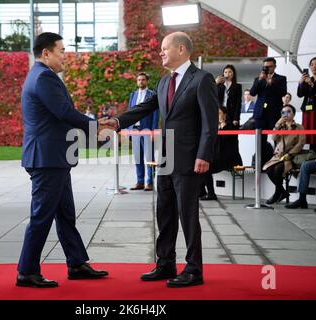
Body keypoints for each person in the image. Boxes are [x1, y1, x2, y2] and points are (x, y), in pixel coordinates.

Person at [100, 32, 218, 288]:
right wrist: (118, 121)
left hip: (189, 159)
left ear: (182, 49)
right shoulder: (165, 82)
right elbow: (144, 108)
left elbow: (211, 123)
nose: (161, 53)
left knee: (188, 214)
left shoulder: (202, 79)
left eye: (165, 49)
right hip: (166, 158)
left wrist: (203, 155)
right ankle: (165, 263)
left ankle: (194, 269)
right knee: (164, 212)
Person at [17, 32, 108, 288]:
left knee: (65, 213)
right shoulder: (44, 77)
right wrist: (96, 125)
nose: (65, 56)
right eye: (62, 51)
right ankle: (26, 271)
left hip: (53, 158)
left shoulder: (40, 76)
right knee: (41, 215)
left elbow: (61, 114)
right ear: (46, 53)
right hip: (47, 160)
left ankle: (77, 263)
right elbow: (64, 112)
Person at [263, 105, 306, 204]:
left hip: (291, 156)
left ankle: (278, 193)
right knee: (269, 169)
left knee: (278, 169)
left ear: (294, 114)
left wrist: (290, 154)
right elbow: (273, 138)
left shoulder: (299, 127)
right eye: (283, 112)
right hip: (278, 156)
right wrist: (277, 125)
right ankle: (281, 191)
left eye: (288, 111)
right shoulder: (281, 126)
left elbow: (301, 143)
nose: (285, 114)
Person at [200, 106, 243, 200]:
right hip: (218, 157)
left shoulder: (230, 126)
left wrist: (223, 125)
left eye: (219, 113)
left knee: (206, 168)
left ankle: (211, 194)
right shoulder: (215, 127)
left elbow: (227, 141)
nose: (217, 116)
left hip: (229, 158)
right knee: (202, 166)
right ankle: (202, 192)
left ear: (224, 115)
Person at [128, 72, 159, 191]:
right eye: (139, 80)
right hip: (135, 130)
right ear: (137, 82)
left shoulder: (152, 95)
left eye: (143, 80)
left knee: (149, 157)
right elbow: (129, 112)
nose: (141, 82)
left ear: (147, 81)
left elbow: (156, 114)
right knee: (137, 157)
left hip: (147, 130)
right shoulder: (133, 95)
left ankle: (149, 182)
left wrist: (153, 131)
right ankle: (140, 181)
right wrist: (129, 130)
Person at [297, 57, 316, 153]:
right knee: (309, 136)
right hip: (307, 111)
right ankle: (312, 156)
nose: (314, 67)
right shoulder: (307, 79)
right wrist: (301, 83)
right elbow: (300, 94)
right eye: (312, 64)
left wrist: (312, 84)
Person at [250, 57, 287, 131]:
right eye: (266, 67)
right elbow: (252, 93)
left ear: (275, 66)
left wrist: (272, 83)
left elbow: (283, 93)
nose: (268, 68)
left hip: (274, 112)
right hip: (260, 112)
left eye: (270, 66)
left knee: (276, 137)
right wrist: (260, 80)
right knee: (260, 138)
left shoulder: (281, 78)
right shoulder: (258, 79)